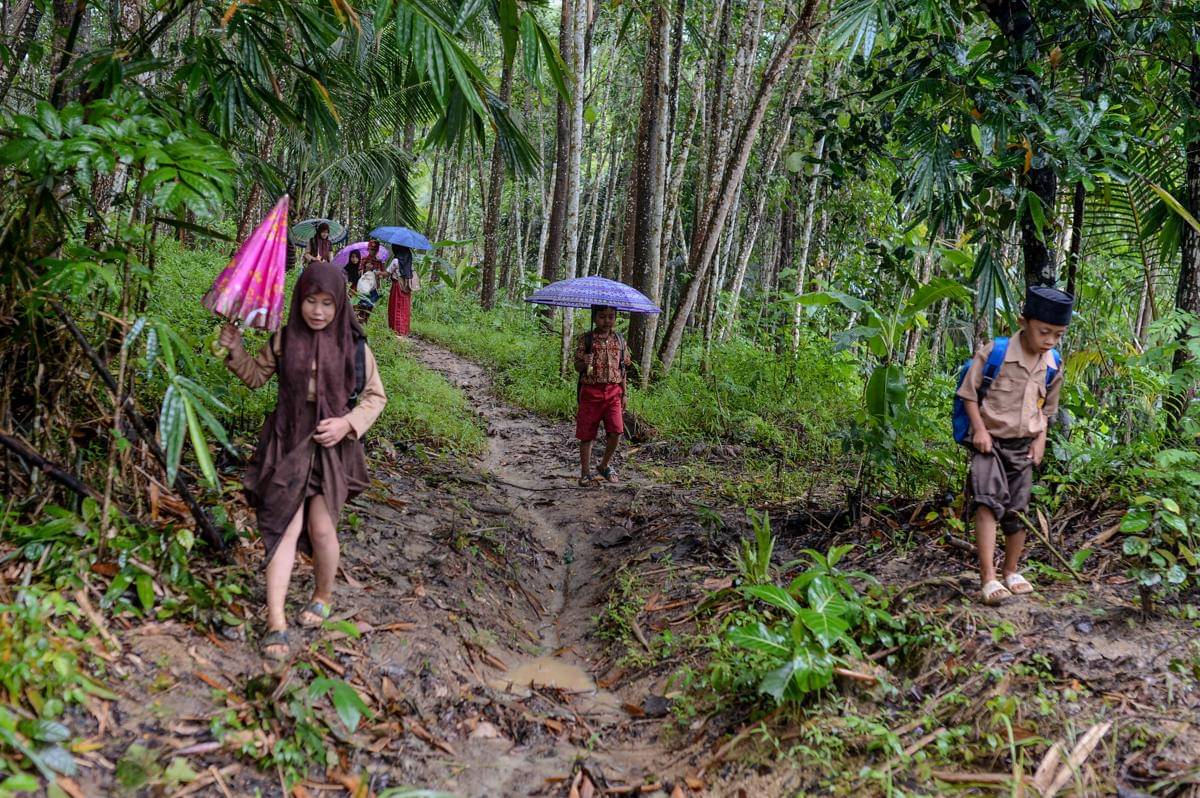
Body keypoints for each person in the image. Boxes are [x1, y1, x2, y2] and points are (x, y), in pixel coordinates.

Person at [218, 262, 387, 660]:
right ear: (299, 300)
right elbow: (256, 376)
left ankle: (322, 595)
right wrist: (235, 349)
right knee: (283, 527)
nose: (318, 311)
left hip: (332, 448)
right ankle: (276, 621)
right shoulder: (283, 339)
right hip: (287, 441)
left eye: (327, 303)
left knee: (322, 529)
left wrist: (347, 424)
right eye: (311, 301)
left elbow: (375, 398)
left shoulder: (355, 346)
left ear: (339, 304)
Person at [956, 285, 1073, 606]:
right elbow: (968, 394)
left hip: (1024, 447)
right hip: (989, 443)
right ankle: (988, 578)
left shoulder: (1053, 364)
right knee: (987, 504)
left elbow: (1047, 408)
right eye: (1044, 331)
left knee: (1017, 511)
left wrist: (1040, 440)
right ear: (1023, 322)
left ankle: (1011, 570)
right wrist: (979, 431)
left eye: (1058, 335)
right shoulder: (995, 354)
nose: (1049, 340)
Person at [573, 305, 630, 487]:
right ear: (595, 317)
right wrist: (584, 362)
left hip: (614, 392)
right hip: (591, 392)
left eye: (611, 316)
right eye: (602, 317)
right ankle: (585, 472)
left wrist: (625, 394)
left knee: (616, 431)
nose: (607, 321)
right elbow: (577, 366)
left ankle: (604, 465)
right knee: (587, 435)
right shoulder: (587, 339)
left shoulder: (620, 340)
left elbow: (623, 368)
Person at [386, 245, 414, 336]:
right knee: (404, 308)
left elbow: (387, 273)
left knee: (396, 307)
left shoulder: (396, 261)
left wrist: (376, 272)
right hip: (406, 287)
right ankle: (404, 331)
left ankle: (396, 330)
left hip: (397, 286)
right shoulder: (409, 261)